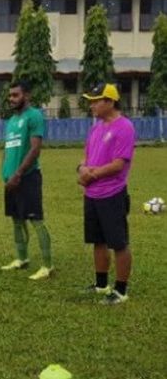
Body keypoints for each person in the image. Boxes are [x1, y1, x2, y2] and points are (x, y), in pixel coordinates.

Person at [78, 83, 135, 305]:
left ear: (110, 101)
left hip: (112, 193)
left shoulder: (124, 127)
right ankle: (101, 284)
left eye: (96, 100)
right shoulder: (96, 128)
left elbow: (119, 164)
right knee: (98, 241)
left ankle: (121, 290)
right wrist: (82, 169)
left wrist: (91, 175)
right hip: (92, 194)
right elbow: (86, 157)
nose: (92, 105)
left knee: (118, 242)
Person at [0, 81, 53, 280]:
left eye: (15, 95)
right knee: (16, 219)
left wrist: (18, 174)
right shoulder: (12, 120)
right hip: (10, 179)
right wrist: (5, 172)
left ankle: (47, 265)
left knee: (35, 220)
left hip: (27, 177)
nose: (11, 99)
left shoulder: (34, 116)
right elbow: (7, 148)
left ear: (27, 96)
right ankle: (22, 259)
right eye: (10, 95)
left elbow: (35, 148)